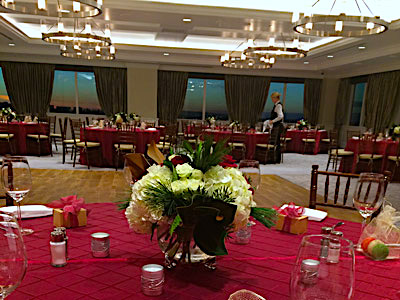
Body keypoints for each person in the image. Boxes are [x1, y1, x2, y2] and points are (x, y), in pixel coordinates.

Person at [263, 92, 284, 163]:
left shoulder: (278, 106)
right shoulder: (276, 105)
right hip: (277, 126)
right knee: (276, 142)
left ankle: (276, 159)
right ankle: (275, 158)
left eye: (272, 98)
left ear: (275, 98)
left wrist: (272, 121)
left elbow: (281, 116)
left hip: (277, 126)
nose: (272, 100)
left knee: (276, 142)